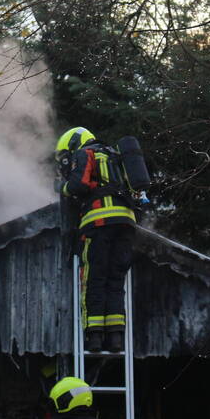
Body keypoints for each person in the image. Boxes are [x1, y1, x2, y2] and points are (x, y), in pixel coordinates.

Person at [56, 126, 137, 352]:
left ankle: (94, 337)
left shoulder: (86, 153)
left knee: (94, 278)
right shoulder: (116, 156)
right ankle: (116, 338)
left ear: (73, 145)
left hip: (99, 223)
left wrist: (61, 188)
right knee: (115, 279)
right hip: (126, 223)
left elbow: (78, 185)